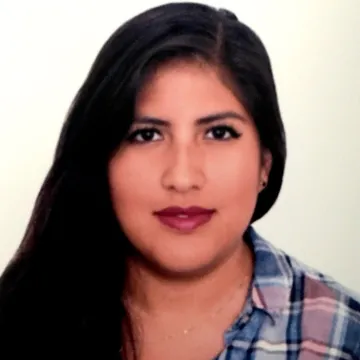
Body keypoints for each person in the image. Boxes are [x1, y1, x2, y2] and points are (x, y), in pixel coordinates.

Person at [0, 2, 359, 359]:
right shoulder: (19, 318)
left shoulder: (341, 337)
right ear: (100, 157)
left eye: (219, 132)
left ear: (265, 162)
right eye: (146, 135)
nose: (183, 178)